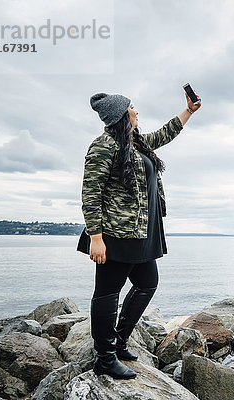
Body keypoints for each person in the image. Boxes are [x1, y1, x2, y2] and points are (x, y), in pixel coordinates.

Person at [78, 90, 201, 379]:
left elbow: (165, 134)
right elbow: (90, 192)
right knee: (107, 293)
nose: (137, 111)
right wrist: (96, 237)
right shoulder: (103, 146)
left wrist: (189, 112)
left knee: (148, 283)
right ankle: (105, 358)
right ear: (122, 114)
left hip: (142, 232)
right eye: (132, 107)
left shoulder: (137, 143)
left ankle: (119, 342)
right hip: (115, 234)